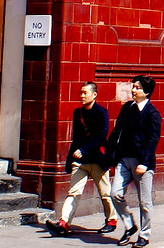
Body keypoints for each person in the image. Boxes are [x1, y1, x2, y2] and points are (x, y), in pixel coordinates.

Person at [46, 82, 117, 236]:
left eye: (85, 93)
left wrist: (84, 149)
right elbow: (76, 138)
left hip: (97, 159)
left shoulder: (102, 112)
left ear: (94, 95)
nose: (82, 96)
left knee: (105, 193)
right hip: (80, 161)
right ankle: (63, 223)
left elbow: (101, 136)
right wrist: (70, 159)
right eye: (81, 93)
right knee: (74, 192)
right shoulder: (78, 113)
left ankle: (111, 221)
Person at [109, 75, 162, 247]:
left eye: (137, 88)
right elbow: (118, 132)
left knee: (144, 202)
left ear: (146, 92)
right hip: (124, 159)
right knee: (115, 193)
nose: (133, 90)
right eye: (133, 87)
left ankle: (144, 235)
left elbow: (153, 140)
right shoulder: (127, 108)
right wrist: (111, 156)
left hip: (142, 163)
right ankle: (129, 225)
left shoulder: (153, 114)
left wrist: (145, 163)